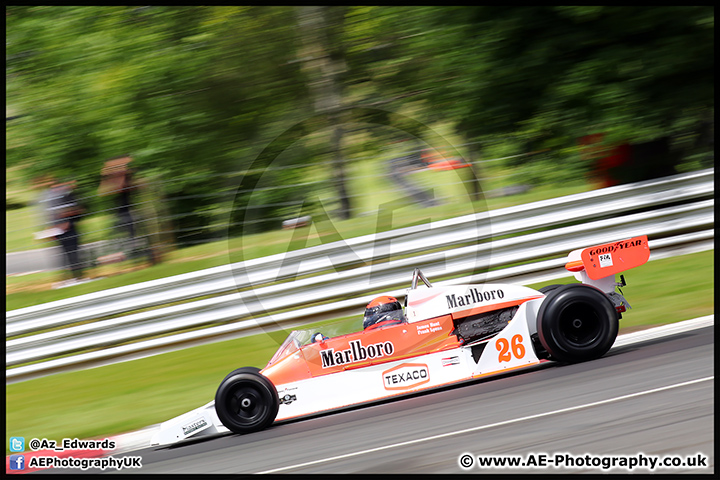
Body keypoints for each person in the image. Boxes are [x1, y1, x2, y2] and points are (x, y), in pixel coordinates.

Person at [48, 179, 89, 288]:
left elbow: (79, 210)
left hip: (71, 229)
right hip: (59, 231)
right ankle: (66, 279)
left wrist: (66, 214)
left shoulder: (71, 196)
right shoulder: (53, 199)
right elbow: (53, 215)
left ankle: (78, 277)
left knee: (74, 254)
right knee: (63, 255)